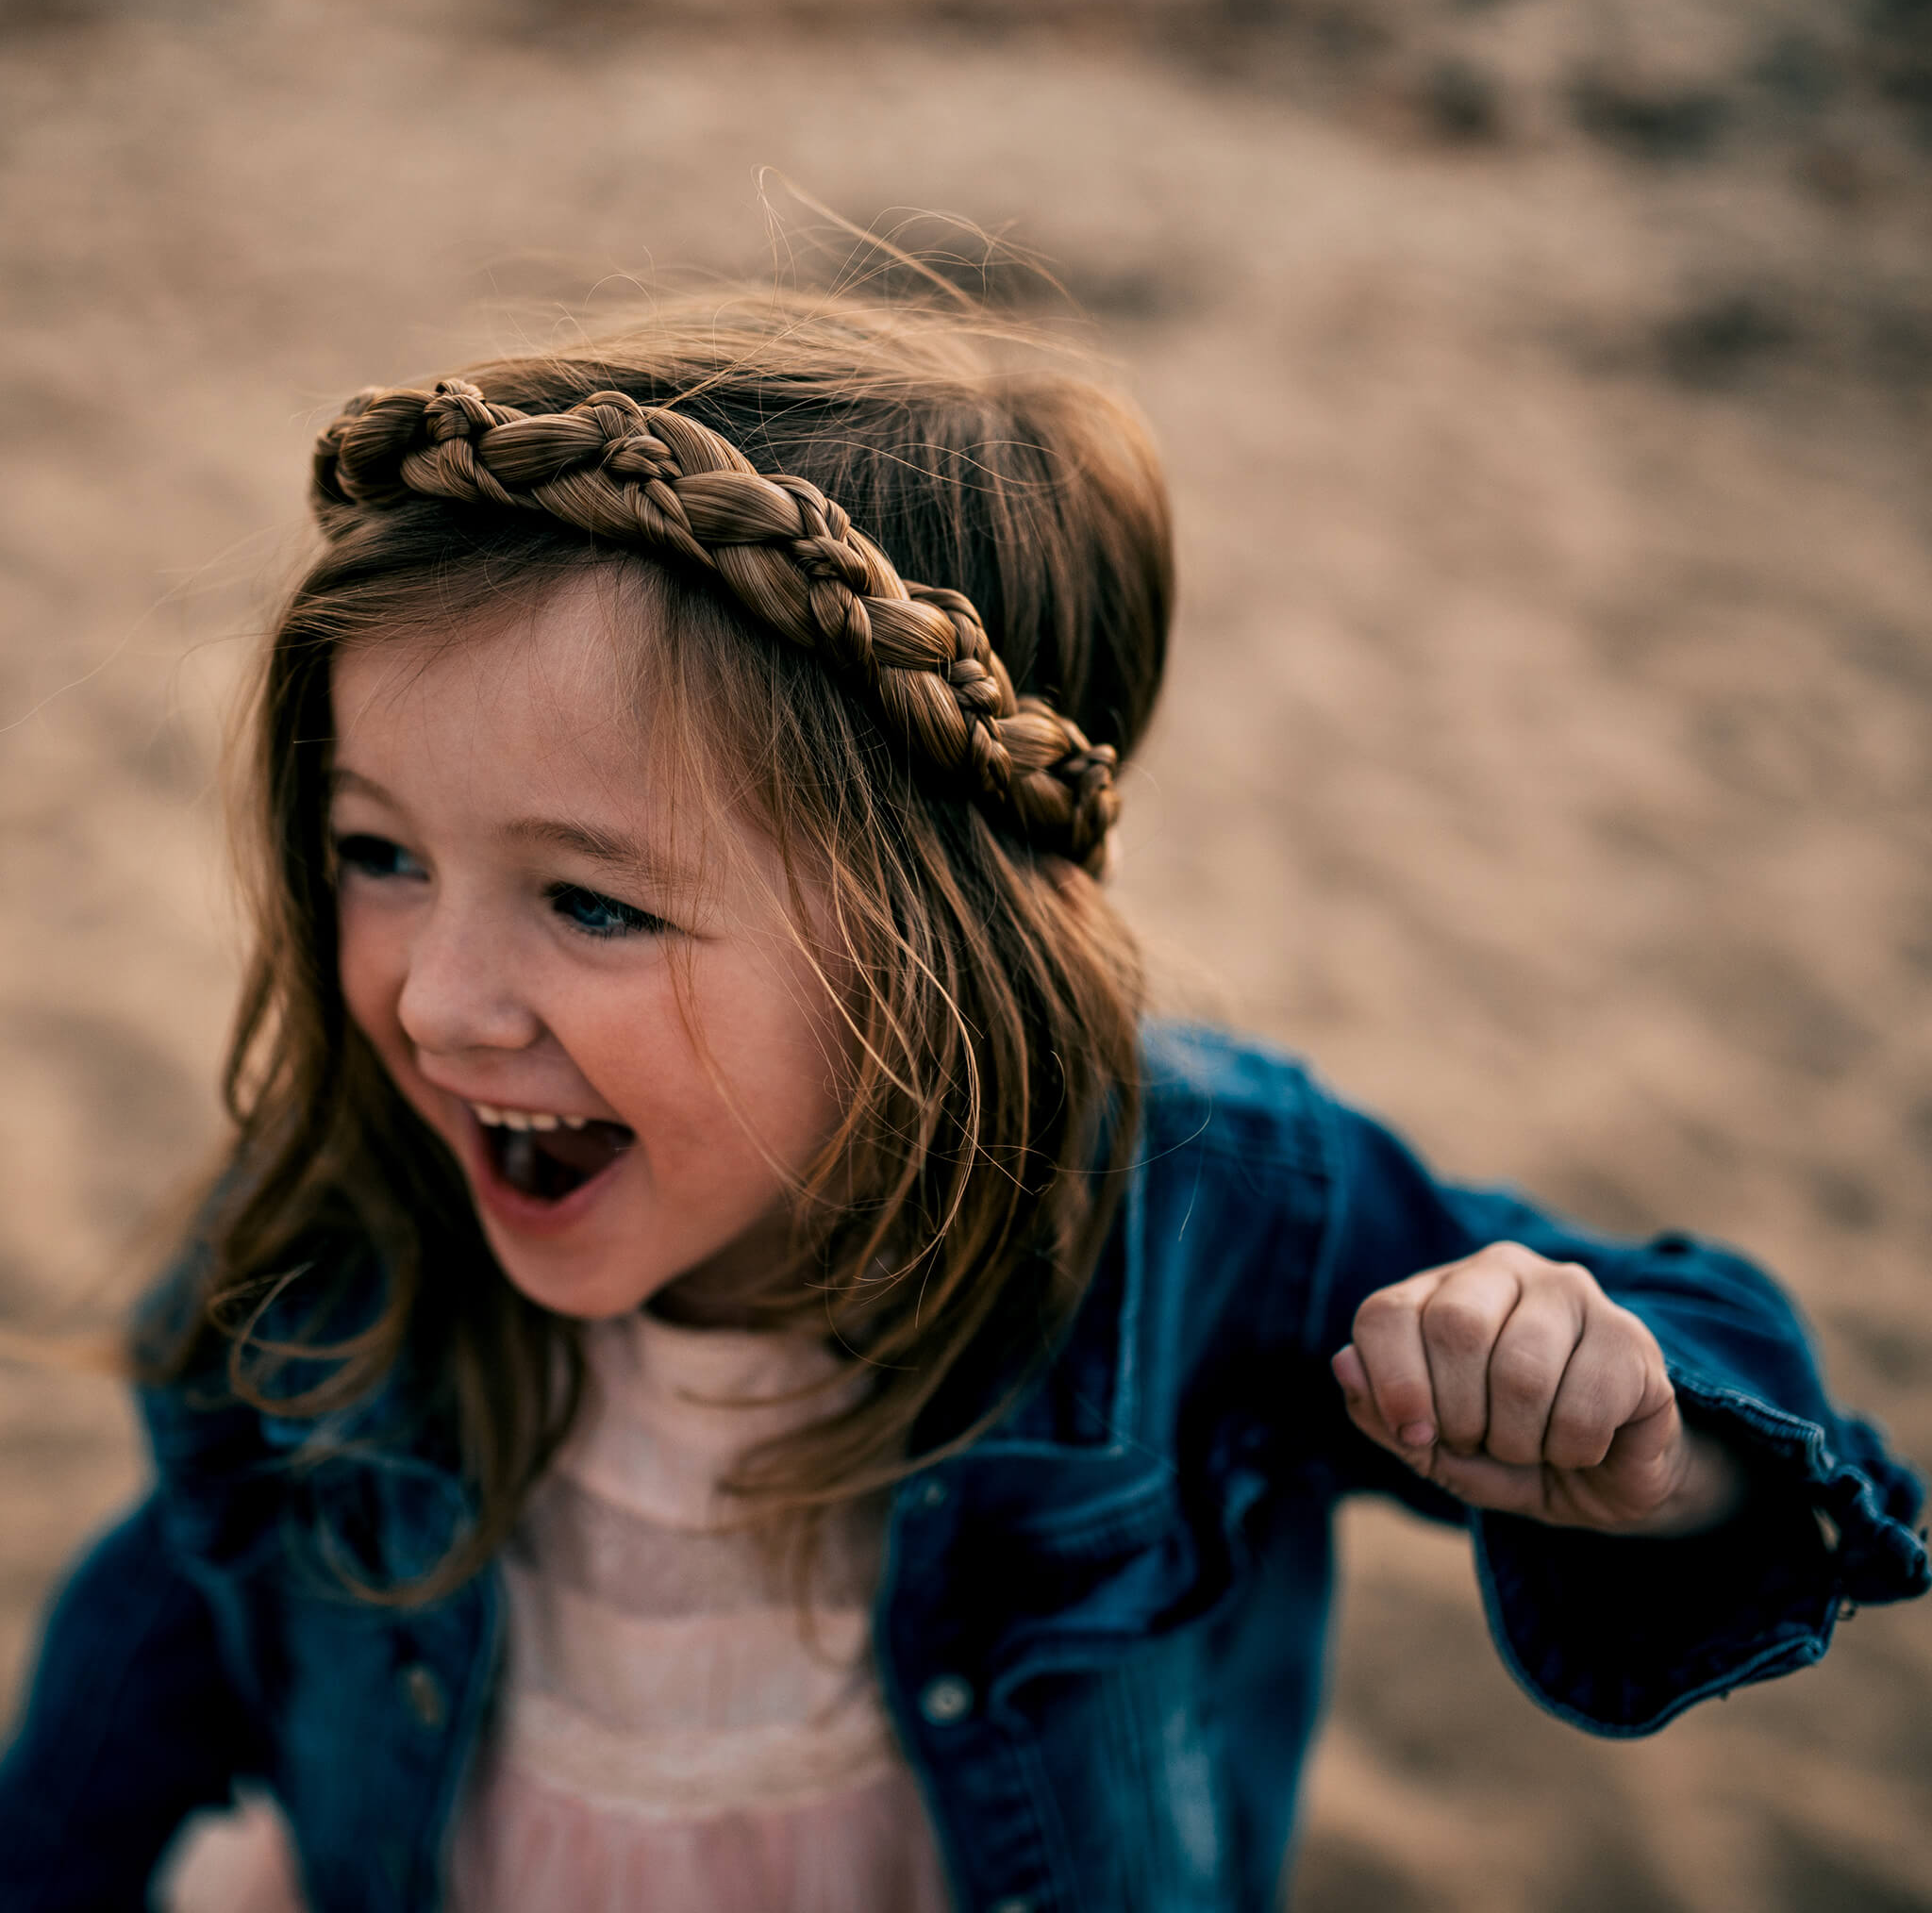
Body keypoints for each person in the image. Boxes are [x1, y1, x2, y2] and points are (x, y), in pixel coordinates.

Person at [0, 288, 1924, 1913]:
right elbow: (156, 1638)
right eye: (378, 851)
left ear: (940, 951)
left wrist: (1646, 1441)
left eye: (591, 898)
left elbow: (1771, 1424)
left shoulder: (1192, 1202)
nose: (431, 997)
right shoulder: (341, 1233)